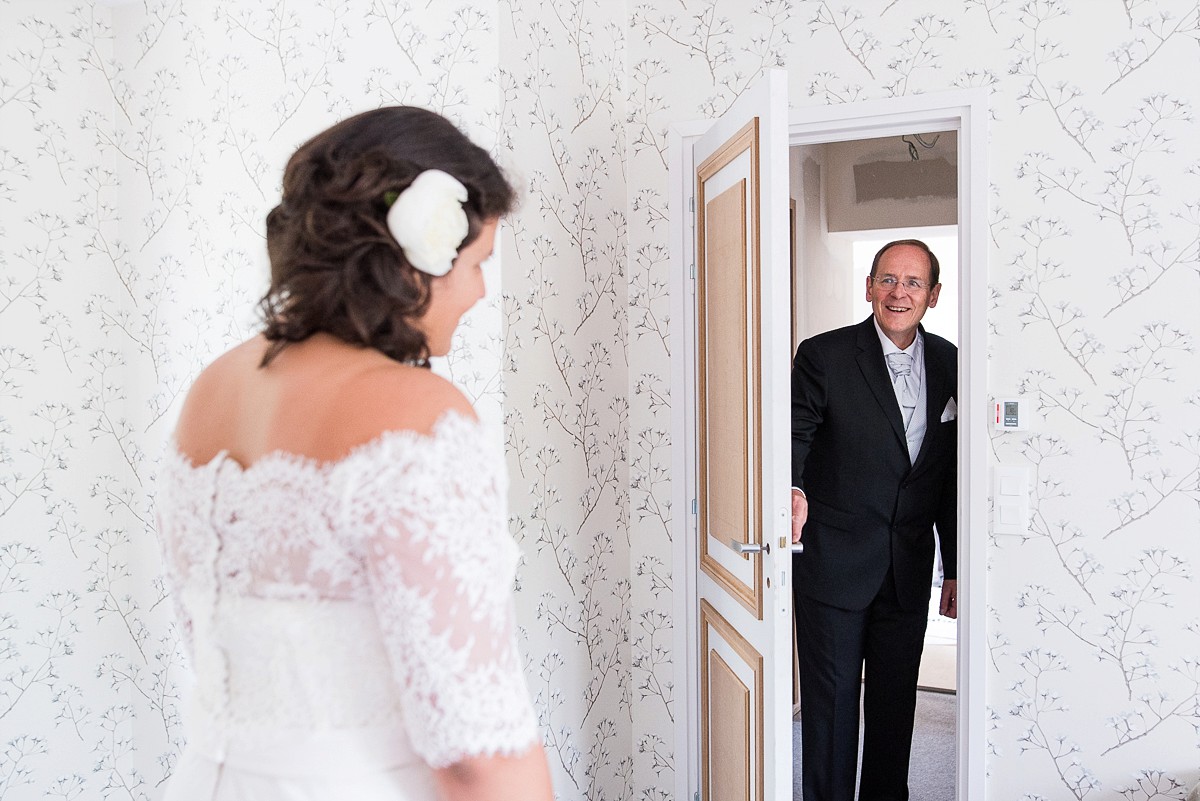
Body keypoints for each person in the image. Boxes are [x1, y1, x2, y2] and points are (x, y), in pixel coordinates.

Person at [155, 107, 553, 801]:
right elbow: (477, 753)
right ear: (416, 254)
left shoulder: (212, 388)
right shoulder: (419, 413)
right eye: (480, 262)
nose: (482, 292)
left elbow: (208, 639)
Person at [790, 239, 958, 801]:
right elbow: (795, 435)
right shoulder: (823, 355)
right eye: (887, 280)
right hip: (834, 567)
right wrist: (789, 490)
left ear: (933, 296)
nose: (898, 293)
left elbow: (949, 476)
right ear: (869, 287)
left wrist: (954, 564)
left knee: (894, 715)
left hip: (908, 570)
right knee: (832, 717)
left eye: (913, 283)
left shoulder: (952, 363)